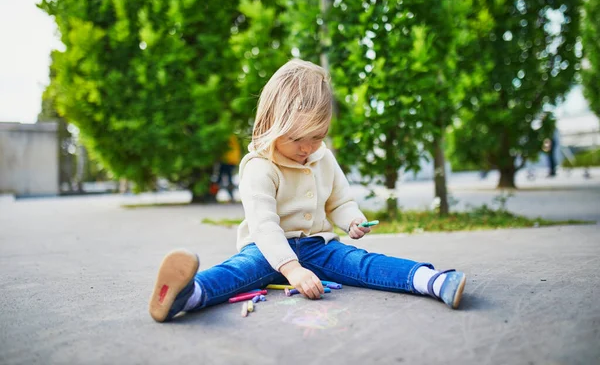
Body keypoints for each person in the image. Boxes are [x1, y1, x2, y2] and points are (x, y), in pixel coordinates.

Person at [148, 59, 467, 323]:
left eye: (318, 136)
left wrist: (352, 219)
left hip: (318, 245)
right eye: (298, 139)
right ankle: (187, 295)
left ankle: (432, 280)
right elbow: (264, 227)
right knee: (240, 271)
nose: (308, 148)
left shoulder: (321, 155)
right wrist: (292, 269)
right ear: (272, 124)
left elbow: (339, 199)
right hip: (267, 250)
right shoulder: (260, 167)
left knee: (362, 263)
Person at [215, 135, 241, 201]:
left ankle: (214, 193)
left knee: (222, 178)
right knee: (226, 178)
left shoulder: (228, 137)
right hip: (230, 161)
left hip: (227, 161)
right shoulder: (233, 138)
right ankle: (230, 195)